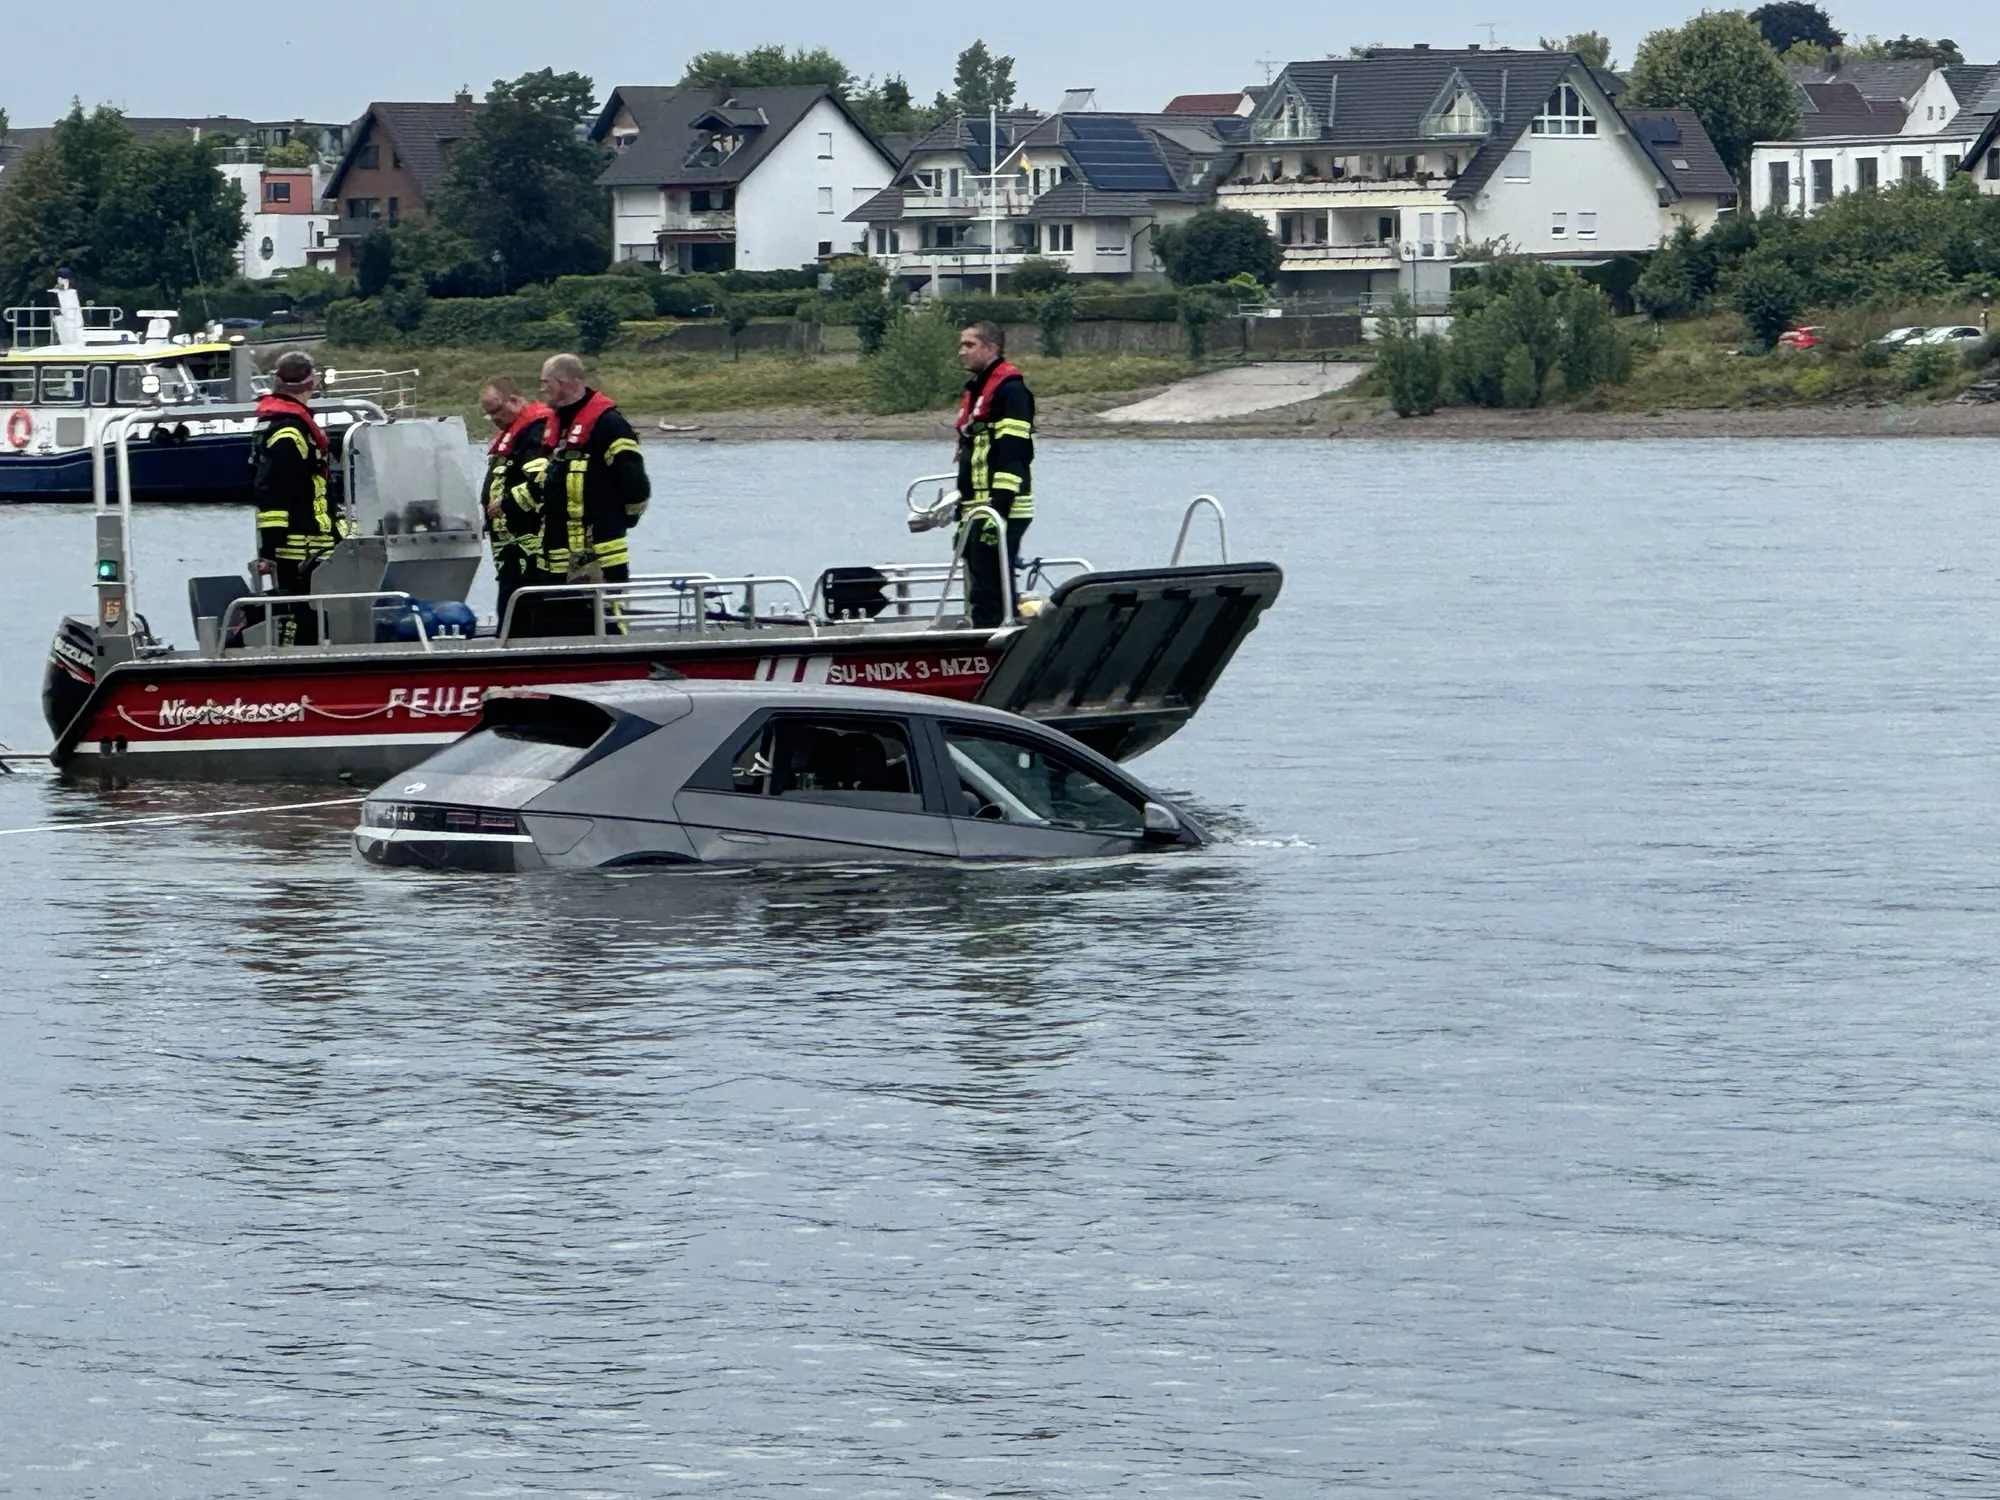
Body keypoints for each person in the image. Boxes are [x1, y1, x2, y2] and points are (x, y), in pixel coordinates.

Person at [530, 352, 650, 635]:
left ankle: (621, 668)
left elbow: (634, 482)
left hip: (601, 547)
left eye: (545, 382)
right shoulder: (557, 424)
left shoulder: (609, 424)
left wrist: (621, 520)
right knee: (560, 622)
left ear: (562, 382)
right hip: (558, 548)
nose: (542, 389)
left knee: (608, 619)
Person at [251, 350, 338, 644]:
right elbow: (273, 493)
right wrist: (270, 549)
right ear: (312, 383)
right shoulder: (290, 432)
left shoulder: (283, 423)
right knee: (302, 617)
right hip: (300, 545)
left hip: (308, 540)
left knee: (313, 615)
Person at [952, 321, 1035, 627]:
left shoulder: (1011, 391)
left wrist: (999, 506)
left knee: (991, 584)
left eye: (969, 345)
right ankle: (990, 633)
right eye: (961, 345)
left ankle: (991, 644)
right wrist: (963, 504)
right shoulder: (979, 390)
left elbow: (1014, 451)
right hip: (979, 506)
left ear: (991, 348)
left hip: (1002, 506)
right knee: (983, 581)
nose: (962, 352)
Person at [478, 377, 552, 632]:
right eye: (489, 414)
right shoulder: (512, 434)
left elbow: (540, 482)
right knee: (509, 603)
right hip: (509, 545)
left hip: (528, 545)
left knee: (523, 609)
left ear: (515, 400)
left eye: (497, 410)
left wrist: (505, 504)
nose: (495, 418)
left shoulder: (537, 430)